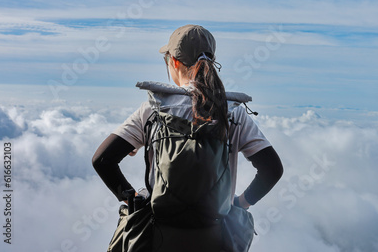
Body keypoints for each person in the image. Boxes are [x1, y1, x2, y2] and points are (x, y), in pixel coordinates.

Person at [92, 24, 283, 250]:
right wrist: (241, 203)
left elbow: (103, 160)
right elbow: (272, 169)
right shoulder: (232, 113)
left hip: (159, 238)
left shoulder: (152, 110)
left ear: (173, 62)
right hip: (214, 239)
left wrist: (133, 198)